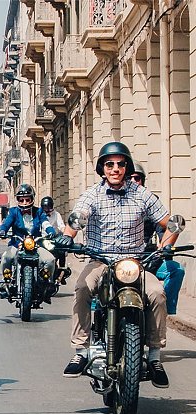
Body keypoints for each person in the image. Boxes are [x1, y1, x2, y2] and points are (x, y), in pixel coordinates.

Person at [60, 142, 177, 387]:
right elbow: (79, 217)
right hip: (100, 260)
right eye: (110, 164)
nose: (115, 169)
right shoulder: (92, 195)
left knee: (157, 293)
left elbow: (170, 223)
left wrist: (165, 246)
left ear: (127, 167)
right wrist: (68, 236)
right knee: (82, 289)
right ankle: (81, 350)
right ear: (102, 168)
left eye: (120, 164)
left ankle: (155, 356)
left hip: (133, 262)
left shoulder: (141, 193)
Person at [130, 164, 186, 316]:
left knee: (176, 270)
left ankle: (164, 310)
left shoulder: (151, 201)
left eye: (138, 178)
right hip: (121, 257)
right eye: (131, 178)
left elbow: (163, 228)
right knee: (95, 281)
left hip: (147, 258)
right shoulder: (114, 199)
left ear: (143, 180)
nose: (134, 181)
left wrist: (165, 247)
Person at [0, 184, 57, 288]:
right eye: (21, 200)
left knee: (50, 259)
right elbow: (6, 223)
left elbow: (45, 223)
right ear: (18, 200)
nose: (24, 202)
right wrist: (2, 230)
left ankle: (46, 281)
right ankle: (7, 281)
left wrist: (51, 231)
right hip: (17, 244)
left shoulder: (39, 211)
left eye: (27, 199)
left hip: (36, 244)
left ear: (32, 199)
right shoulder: (13, 211)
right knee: (6, 258)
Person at [40, 195, 70, 284]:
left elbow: (61, 226)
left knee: (62, 251)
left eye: (48, 207)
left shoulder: (56, 215)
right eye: (45, 207)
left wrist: (66, 233)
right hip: (42, 239)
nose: (47, 209)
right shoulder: (39, 214)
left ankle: (62, 272)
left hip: (54, 239)